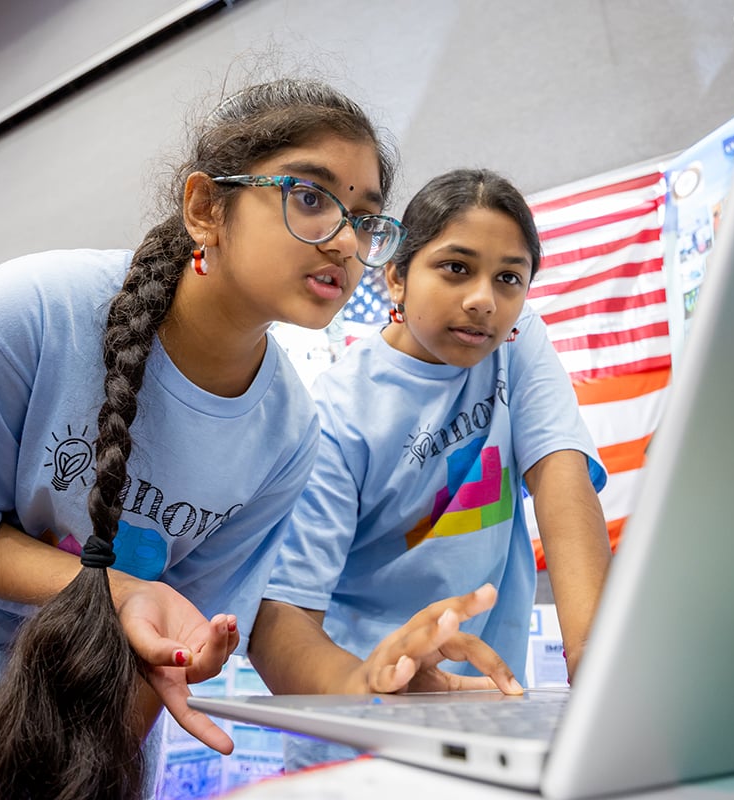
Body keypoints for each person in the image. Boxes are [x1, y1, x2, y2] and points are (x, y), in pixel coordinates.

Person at [0, 78, 408, 800]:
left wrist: (96, 770)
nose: (344, 239)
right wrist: (119, 591)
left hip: (102, 749)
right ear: (207, 208)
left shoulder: (289, 432)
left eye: (366, 220)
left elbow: (177, 638)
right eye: (310, 196)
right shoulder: (20, 316)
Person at [249, 169, 612, 764]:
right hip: (360, 734)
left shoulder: (516, 347)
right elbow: (286, 612)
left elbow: (562, 481)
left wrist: (598, 672)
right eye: (455, 267)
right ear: (395, 276)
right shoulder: (339, 414)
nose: (483, 299)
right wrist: (367, 686)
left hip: (485, 724)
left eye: (509, 279)